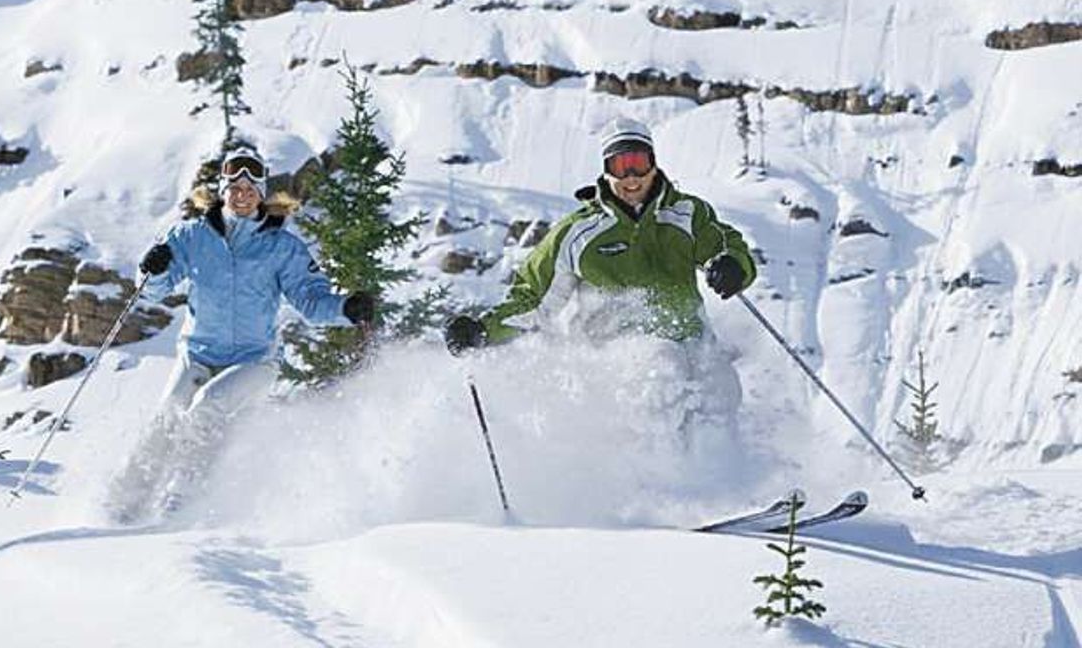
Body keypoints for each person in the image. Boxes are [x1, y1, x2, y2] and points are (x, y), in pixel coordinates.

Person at [106, 149, 374, 523]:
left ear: (262, 194)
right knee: (169, 414)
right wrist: (153, 268)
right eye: (235, 187)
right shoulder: (191, 236)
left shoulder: (281, 247)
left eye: (251, 189)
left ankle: (178, 504)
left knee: (207, 405)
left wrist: (345, 308)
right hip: (198, 353)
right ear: (223, 190)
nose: (242, 195)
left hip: (254, 359)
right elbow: (152, 290)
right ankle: (122, 504)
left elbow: (311, 301)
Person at [445, 117, 756, 434]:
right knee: (662, 377)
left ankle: (719, 465)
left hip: (694, 342)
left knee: (719, 394)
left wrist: (733, 266)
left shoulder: (686, 213)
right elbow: (533, 298)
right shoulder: (578, 233)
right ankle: (653, 465)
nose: (631, 177)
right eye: (620, 166)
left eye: (638, 163)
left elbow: (727, 246)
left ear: (653, 164)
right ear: (607, 170)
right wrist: (483, 330)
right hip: (623, 356)